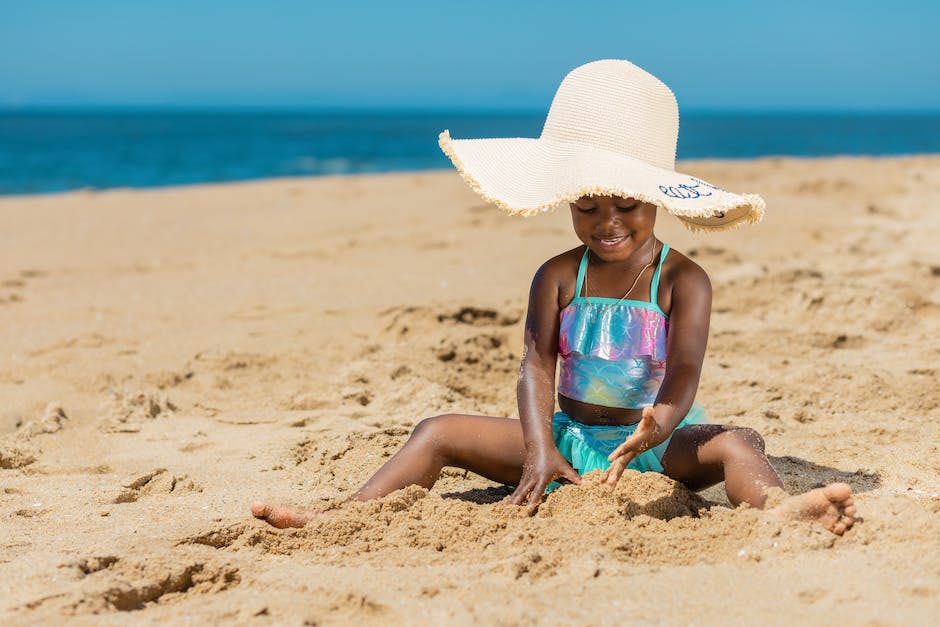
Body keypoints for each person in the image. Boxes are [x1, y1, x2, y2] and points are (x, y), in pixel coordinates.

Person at [251, 60, 856, 535]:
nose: (608, 223)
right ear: (568, 199)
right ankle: (341, 517)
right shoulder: (558, 276)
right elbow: (536, 365)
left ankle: (781, 510)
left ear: (657, 199)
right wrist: (540, 447)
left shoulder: (684, 279)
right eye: (588, 207)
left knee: (739, 442)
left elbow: (685, 370)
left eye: (627, 206)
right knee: (435, 430)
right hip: (564, 438)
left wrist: (658, 426)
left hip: (651, 444)